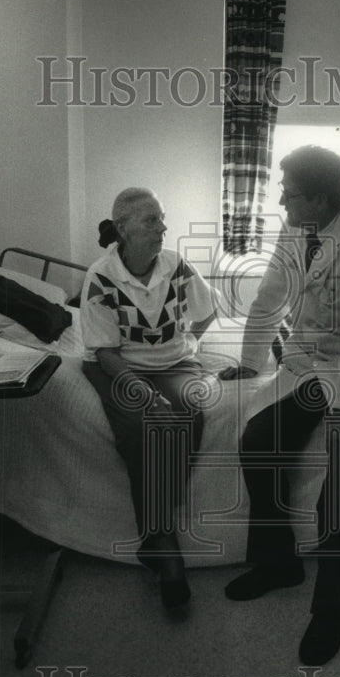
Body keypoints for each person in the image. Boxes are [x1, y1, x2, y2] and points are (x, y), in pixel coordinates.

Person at [219, 146, 340, 665]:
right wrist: (250, 359)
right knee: (260, 442)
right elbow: (268, 297)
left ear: (320, 199)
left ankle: (329, 607)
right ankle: (279, 563)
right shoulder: (294, 230)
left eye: (290, 192)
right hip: (316, 363)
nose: (281, 198)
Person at [81, 188, 218, 610]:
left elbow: (207, 310)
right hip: (119, 366)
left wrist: (188, 344)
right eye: (151, 221)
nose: (162, 228)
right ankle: (163, 542)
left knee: (191, 409)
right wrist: (142, 391)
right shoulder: (101, 277)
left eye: (162, 219)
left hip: (173, 363)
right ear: (122, 228)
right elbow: (104, 352)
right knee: (147, 427)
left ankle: (155, 539)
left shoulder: (176, 265)